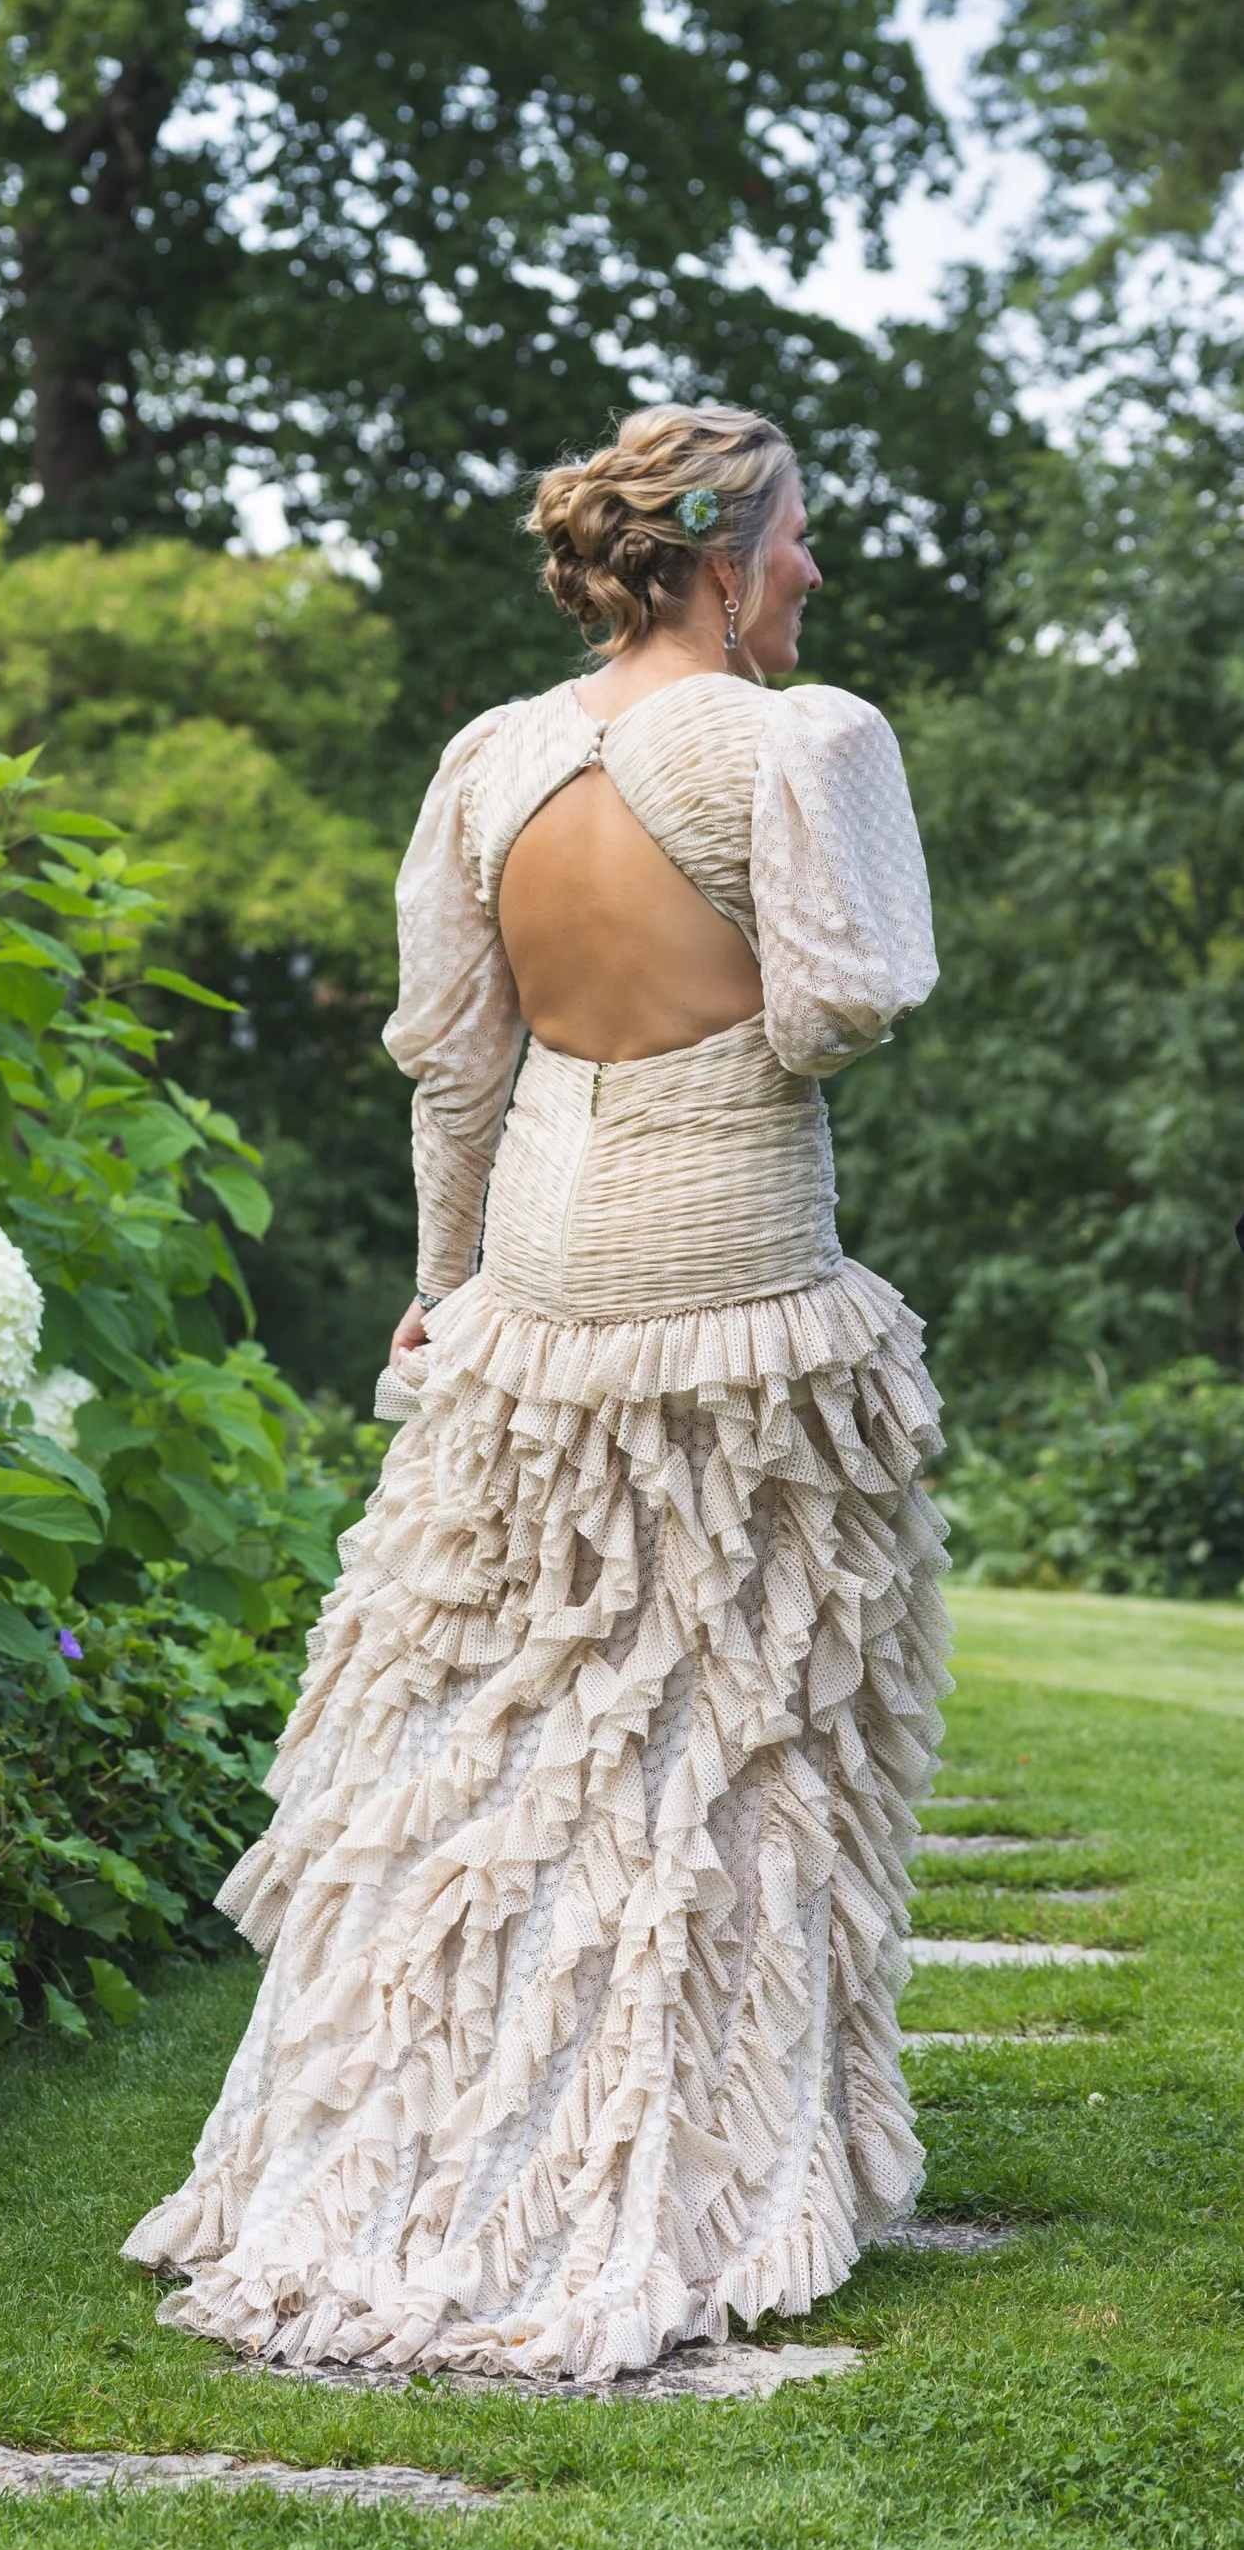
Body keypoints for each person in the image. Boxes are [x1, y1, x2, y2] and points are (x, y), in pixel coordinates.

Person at [124, 404, 945, 2386]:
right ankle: (684, 2144)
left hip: (533, 1278)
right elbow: (846, 999)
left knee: (488, 1729)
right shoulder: (799, 738)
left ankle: (406, 2129)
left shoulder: (488, 757)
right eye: (799, 541)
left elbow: (453, 1071)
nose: (813, 579)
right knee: (727, 1706)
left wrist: (438, 1295)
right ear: (725, 548)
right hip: (728, 1264)